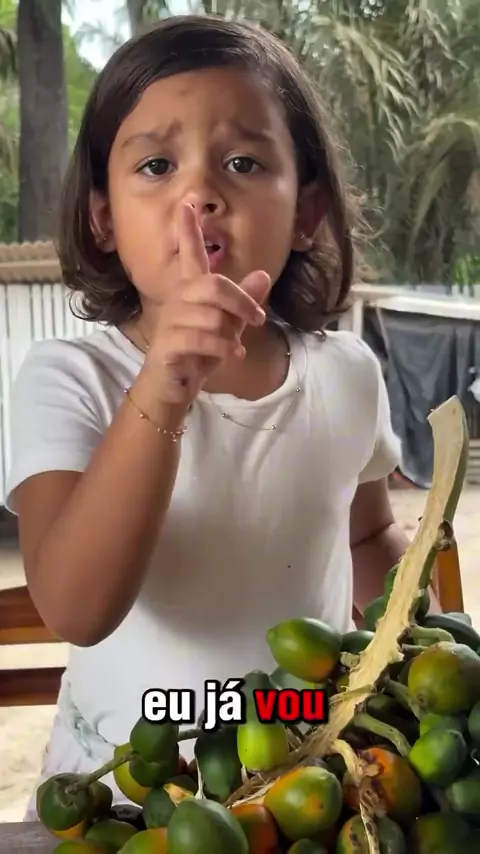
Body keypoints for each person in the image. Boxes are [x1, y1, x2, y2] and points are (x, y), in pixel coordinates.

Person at [5, 14, 432, 820]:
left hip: (307, 792)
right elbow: (76, 608)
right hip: (117, 808)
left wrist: (428, 647)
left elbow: (368, 535)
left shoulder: (345, 374)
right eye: (156, 165)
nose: (199, 194)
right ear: (103, 217)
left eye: (243, 162)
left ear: (306, 211)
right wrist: (164, 389)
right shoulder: (68, 380)